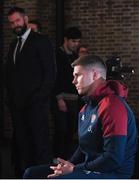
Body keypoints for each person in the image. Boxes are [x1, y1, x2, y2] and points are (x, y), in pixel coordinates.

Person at [23, 54, 137, 179]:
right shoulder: (86, 108)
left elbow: (113, 159)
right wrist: (67, 165)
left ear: (94, 75)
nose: (73, 81)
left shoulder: (112, 106)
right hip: (91, 169)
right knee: (31, 174)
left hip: (113, 173)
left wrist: (75, 169)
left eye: (77, 75)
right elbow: (84, 147)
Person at [5, 7, 56, 178]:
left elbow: (50, 73)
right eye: (12, 22)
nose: (15, 25)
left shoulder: (41, 41)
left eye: (17, 21)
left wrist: (39, 98)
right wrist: (9, 99)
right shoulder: (13, 45)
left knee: (40, 144)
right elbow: (11, 75)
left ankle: (43, 176)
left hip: (36, 105)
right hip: (17, 107)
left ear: (25, 19)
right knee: (23, 144)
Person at [52, 26, 82, 159]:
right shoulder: (56, 55)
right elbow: (54, 78)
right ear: (66, 40)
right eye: (74, 41)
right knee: (61, 129)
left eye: (78, 41)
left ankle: (66, 158)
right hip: (61, 99)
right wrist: (59, 99)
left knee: (71, 129)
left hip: (74, 99)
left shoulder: (75, 56)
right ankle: (56, 157)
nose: (76, 44)